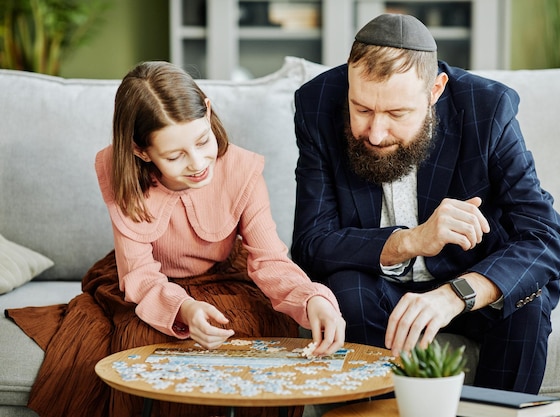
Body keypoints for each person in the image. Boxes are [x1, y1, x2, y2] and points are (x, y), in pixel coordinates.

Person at [6, 61, 345, 417]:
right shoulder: (118, 172)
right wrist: (183, 308)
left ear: (208, 110)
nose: (198, 163)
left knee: (251, 334)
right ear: (141, 151)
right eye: (174, 156)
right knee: (141, 340)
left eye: (203, 141)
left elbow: (269, 259)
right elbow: (139, 273)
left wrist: (312, 300)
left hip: (224, 275)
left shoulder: (241, 170)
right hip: (151, 282)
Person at [290, 14, 560, 395]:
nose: (375, 132)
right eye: (362, 109)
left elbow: (548, 237)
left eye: (396, 114)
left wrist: (457, 294)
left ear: (435, 90)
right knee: (348, 291)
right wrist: (411, 241)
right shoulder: (316, 103)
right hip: (378, 287)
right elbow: (311, 244)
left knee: (527, 304)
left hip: (469, 281)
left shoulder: (488, 108)